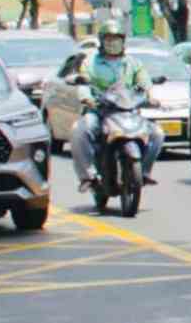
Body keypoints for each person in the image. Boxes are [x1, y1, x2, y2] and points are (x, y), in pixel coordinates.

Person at [70, 20, 166, 194]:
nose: (112, 43)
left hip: (128, 110)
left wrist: (150, 97)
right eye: (108, 39)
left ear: (123, 41)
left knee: (157, 134)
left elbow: (144, 82)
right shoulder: (91, 62)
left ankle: (143, 172)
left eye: (116, 39)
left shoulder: (133, 63)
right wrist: (87, 99)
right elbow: (83, 85)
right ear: (102, 41)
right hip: (101, 111)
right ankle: (88, 177)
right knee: (79, 130)